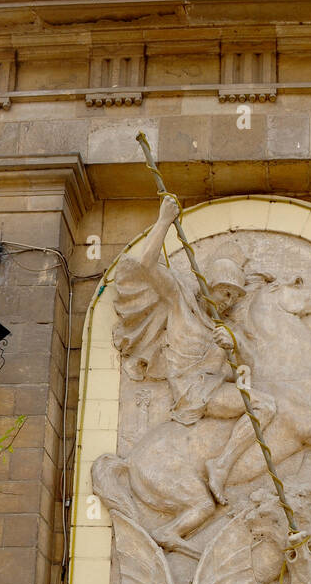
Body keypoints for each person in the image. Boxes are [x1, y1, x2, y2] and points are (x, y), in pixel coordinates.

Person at [113, 193, 275, 502]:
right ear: (207, 286)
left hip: (212, 390)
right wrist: (163, 221)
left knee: (265, 404)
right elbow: (147, 264)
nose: (227, 302)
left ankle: (221, 465)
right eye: (224, 293)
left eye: (233, 297)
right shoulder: (180, 302)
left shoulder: (226, 328)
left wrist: (235, 346)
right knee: (265, 406)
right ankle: (222, 466)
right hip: (192, 393)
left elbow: (246, 369)